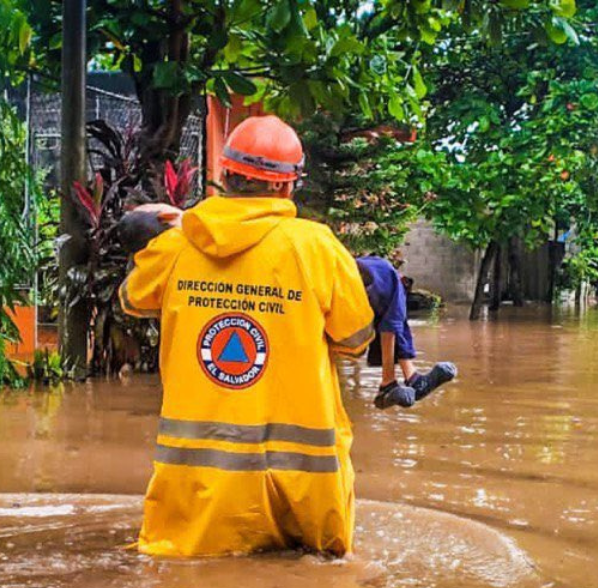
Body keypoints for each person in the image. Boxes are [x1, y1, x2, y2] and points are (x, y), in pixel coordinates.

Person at [119, 115, 375, 558]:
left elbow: (133, 300)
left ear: (225, 175)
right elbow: (355, 340)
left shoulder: (178, 243)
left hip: (200, 493)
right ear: (286, 186)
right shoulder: (317, 247)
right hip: (305, 487)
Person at [354, 252, 457, 409]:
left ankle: (406, 379)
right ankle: (403, 380)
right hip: (351, 287)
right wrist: (388, 378)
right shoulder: (386, 274)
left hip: (333, 292)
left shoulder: (380, 273)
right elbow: (390, 329)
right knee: (393, 311)